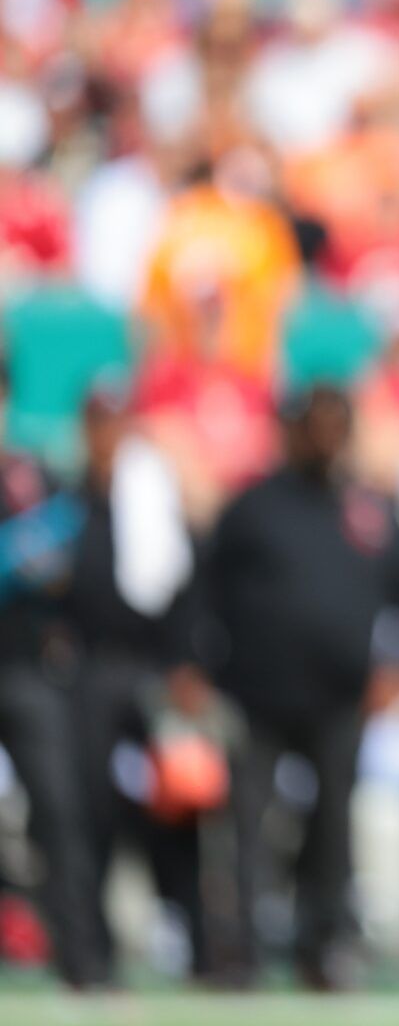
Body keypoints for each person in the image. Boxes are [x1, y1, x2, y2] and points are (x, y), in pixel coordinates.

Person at [196, 384, 399, 988]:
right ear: (290, 431)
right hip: (257, 694)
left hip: (340, 698)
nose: (324, 439)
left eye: (335, 426)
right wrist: (196, 667)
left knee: (331, 830)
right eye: (313, 426)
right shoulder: (252, 506)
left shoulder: (369, 509)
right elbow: (203, 592)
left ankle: (323, 948)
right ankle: (239, 950)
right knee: (247, 826)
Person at [65, 382, 208, 978]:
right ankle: (94, 949)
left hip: (154, 669)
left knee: (176, 807)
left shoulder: (153, 496)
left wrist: (187, 662)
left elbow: (183, 586)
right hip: (91, 670)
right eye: (100, 421)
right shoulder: (66, 499)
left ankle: (193, 939)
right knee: (91, 811)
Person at [0, 358, 108, 988]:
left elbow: (72, 562)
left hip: (25, 667)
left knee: (61, 814)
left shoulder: (33, 474)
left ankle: (84, 962)